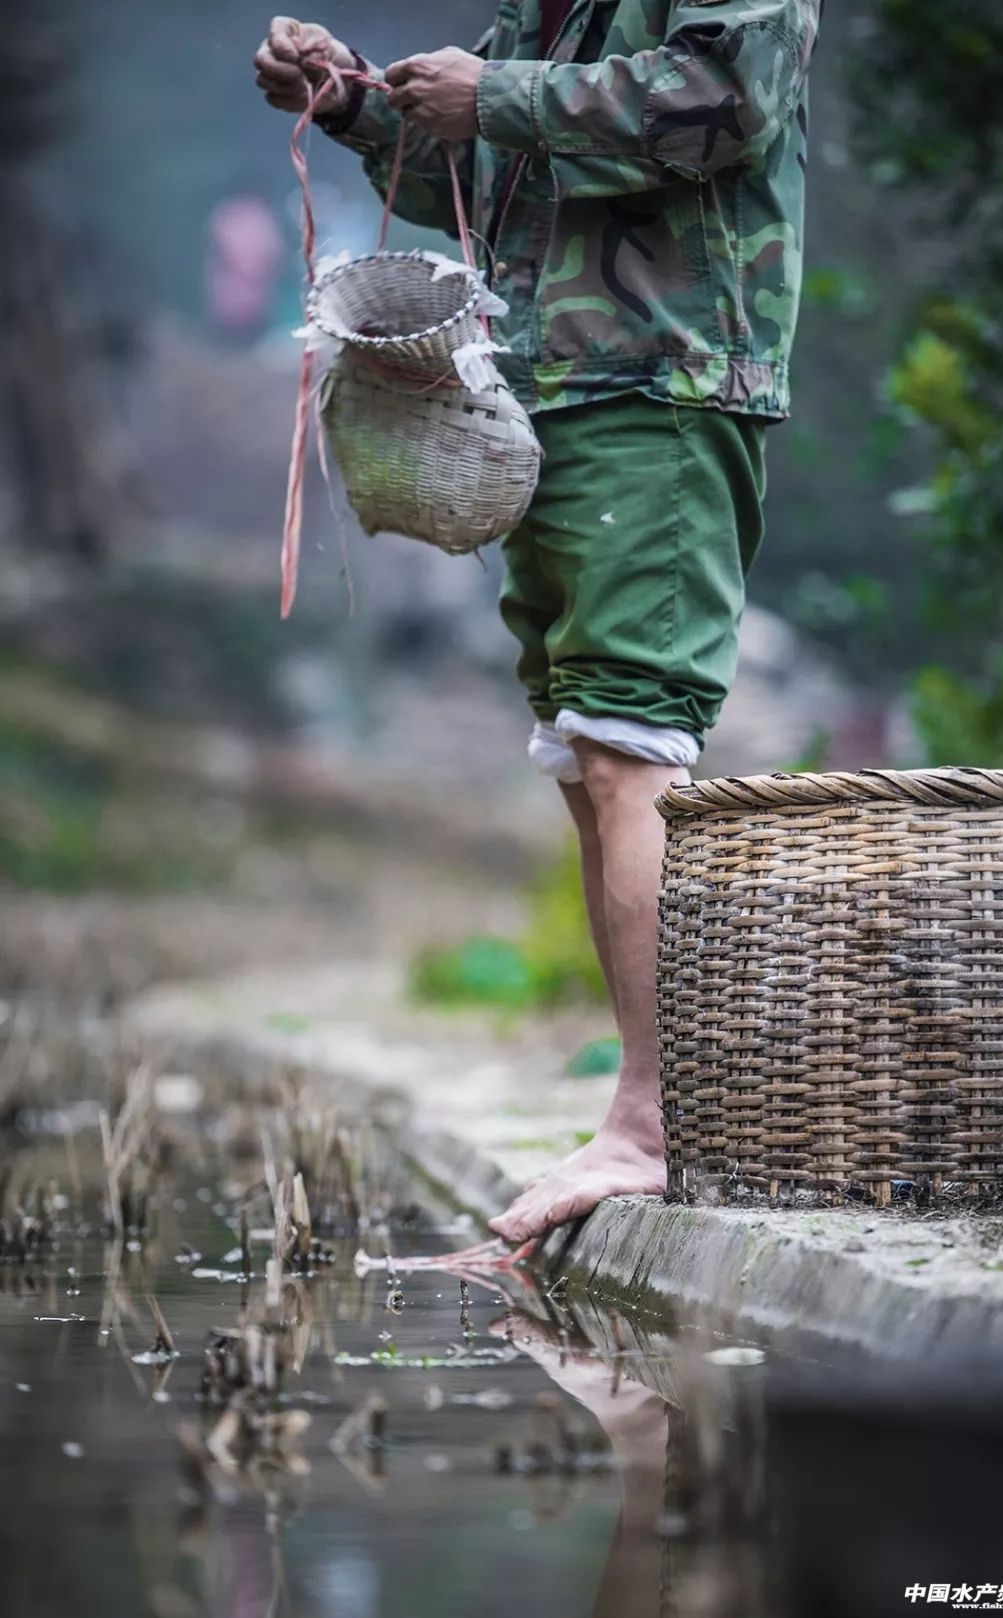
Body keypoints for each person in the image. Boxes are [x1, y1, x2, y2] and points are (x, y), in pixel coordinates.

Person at [254, 3, 821, 1243]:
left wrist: (498, 93)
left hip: (661, 378)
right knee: (587, 754)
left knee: (630, 749)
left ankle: (655, 1128)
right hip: (544, 387)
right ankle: (642, 1107)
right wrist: (353, 102)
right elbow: (492, 177)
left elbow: (727, 100)